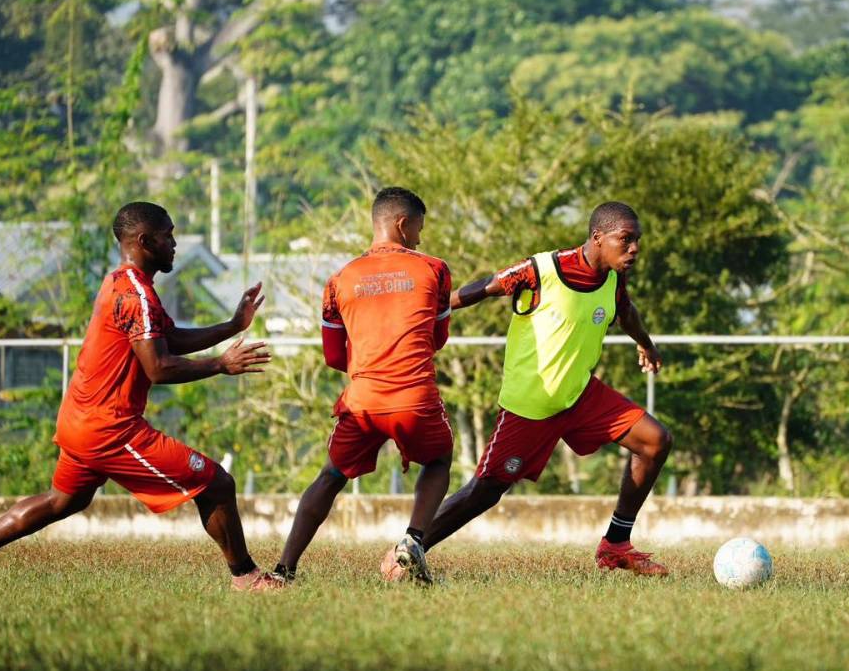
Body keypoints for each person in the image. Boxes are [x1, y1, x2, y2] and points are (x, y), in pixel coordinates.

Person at [0, 202, 279, 590]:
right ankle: (248, 578)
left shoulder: (123, 283)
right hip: (110, 428)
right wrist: (219, 365)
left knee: (62, 501)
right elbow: (158, 366)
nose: (174, 243)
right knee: (216, 483)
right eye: (168, 235)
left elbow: (167, 336)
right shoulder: (136, 295)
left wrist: (232, 325)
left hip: (79, 420)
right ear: (145, 240)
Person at [383, 201, 673, 580]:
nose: (634, 248)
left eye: (638, 241)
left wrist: (645, 344)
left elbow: (626, 312)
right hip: (529, 407)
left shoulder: (614, 279)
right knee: (485, 491)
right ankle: (408, 549)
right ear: (597, 237)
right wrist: (427, 310)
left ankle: (616, 545)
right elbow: (484, 288)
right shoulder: (543, 269)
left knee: (655, 441)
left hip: (580, 396)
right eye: (627, 239)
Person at [270, 187, 453, 586]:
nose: (420, 239)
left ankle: (285, 569)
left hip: (363, 401)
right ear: (403, 225)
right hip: (415, 397)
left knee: (330, 477)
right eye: (419, 229)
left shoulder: (338, 281)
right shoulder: (435, 269)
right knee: (439, 461)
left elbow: (334, 357)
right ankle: (413, 541)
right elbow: (437, 339)